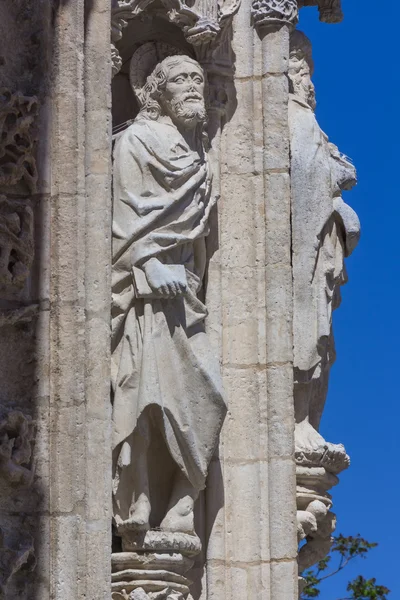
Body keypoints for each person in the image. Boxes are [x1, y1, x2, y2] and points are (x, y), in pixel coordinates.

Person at [111, 53, 226, 537]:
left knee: (209, 398)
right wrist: (148, 264)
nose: (193, 87)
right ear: (156, 90)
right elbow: (122, 221)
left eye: (198, 79)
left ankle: (185, 499)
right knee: (140, 395)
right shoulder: (134, 141)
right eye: (181, 79)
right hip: (143, 295)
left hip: (187, 297)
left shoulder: (201, 157)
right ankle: (135, 501)